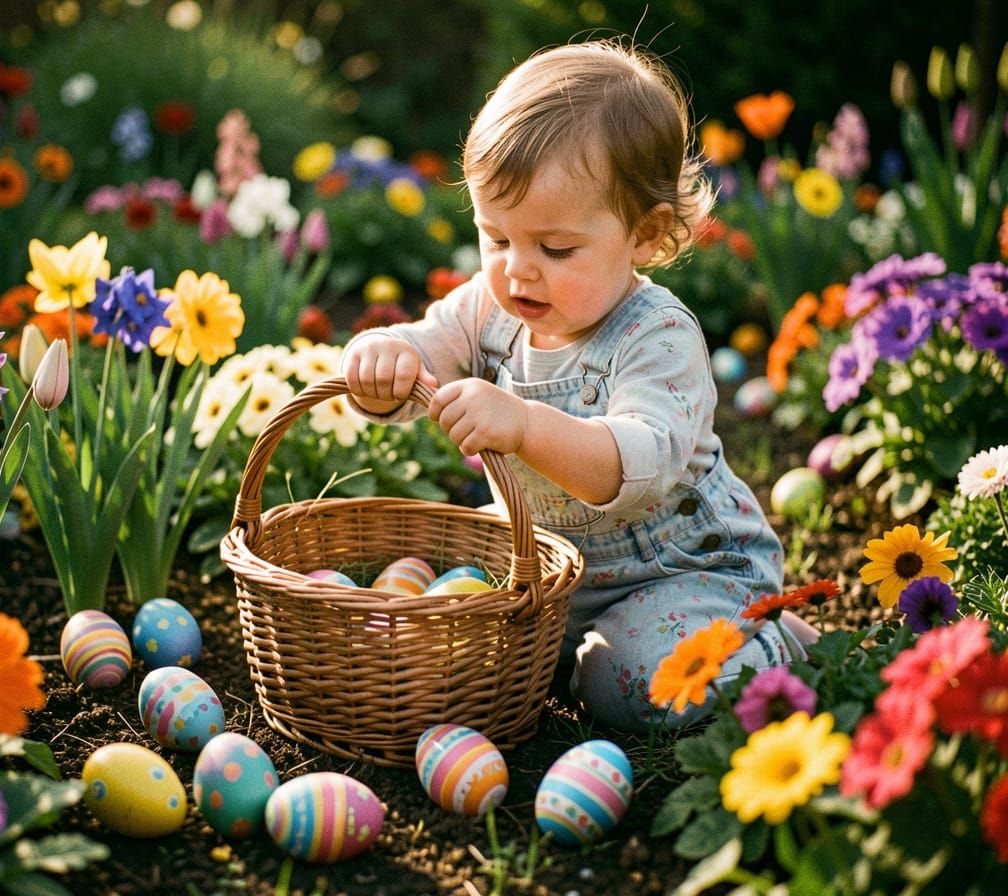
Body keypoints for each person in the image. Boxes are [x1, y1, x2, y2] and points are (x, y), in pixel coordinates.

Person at [341, 37, 813, 732]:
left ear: (645, 236)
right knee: (445, 654)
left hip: (682, 577)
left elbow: (632, 463)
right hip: (551, 579)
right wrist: (382, 357)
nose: (517, 271)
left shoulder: (658, 338)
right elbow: (428, 347)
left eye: (554, 248)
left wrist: (526, 426)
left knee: (627, 685)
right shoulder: (488, 306)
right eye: (496, 238)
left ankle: (774, 644)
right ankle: (573, 656)